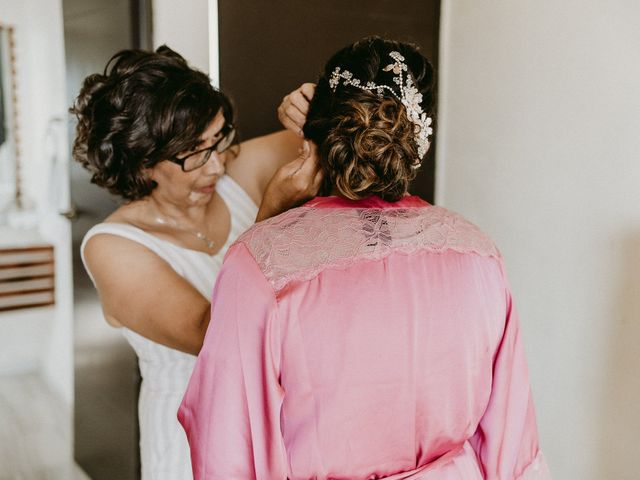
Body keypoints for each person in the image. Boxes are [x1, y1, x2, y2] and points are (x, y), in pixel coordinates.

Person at [179, 37, 552, 479]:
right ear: (421, 136)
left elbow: (229, 445)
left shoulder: (263, 265)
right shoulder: (477, 252)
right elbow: (513, 444)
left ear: (319, 133)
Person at [73, 45, 319, 480]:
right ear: (144, 162)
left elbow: (325, 138)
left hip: (280, 429)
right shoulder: (111, 246)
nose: (217, 164)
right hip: (190, 443)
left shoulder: (235, 176)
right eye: (194, 152)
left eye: (219, 138)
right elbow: (214, 335)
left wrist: (305, 109)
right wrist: (271, 214)